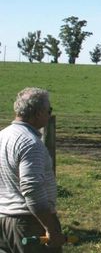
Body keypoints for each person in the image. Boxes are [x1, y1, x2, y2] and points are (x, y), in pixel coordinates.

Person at [0, 87, 64, 252]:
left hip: (3, 219)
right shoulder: (30, 143)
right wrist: (51, 227)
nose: (49, 115)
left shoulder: (3, 136)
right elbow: (32, 188)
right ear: (38, 113)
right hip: (27, 222)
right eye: (48, 110)